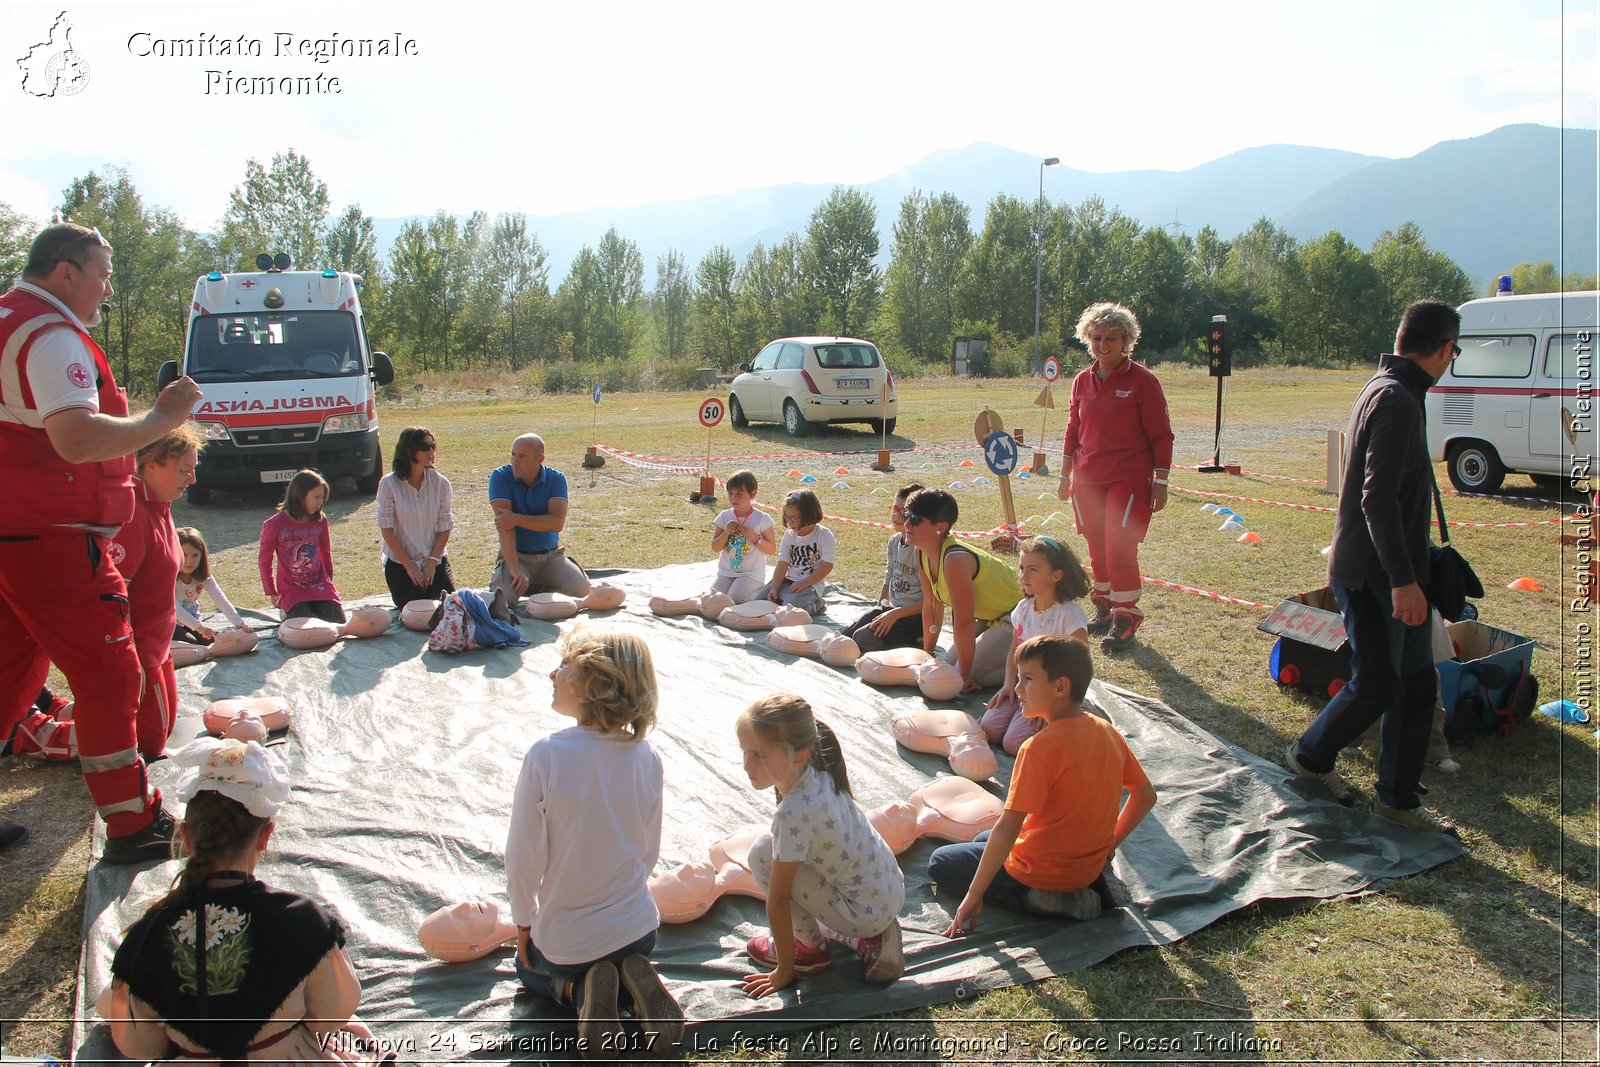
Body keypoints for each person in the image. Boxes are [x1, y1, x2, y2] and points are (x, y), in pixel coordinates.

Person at [0, 222, 203, 864]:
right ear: (65, 273)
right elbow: (78, 439)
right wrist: (160, 420)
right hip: (54, 537)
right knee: (111, 672)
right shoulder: (51, 336)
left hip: (16, 530)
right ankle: (132, 822)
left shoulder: (8, 320)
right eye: (102, 274)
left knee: (11, 671)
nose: (106, 290)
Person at [97, 736, 390, 1065]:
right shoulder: (300, 919)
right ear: (265, 836)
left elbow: (140, 1046)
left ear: (185, 837)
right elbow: (332, 1015)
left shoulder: (146, 936)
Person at [1285, 298, 1464, 836]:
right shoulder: (1396, 399)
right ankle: (1310, 759)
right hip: (1374, 576)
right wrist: (1404, 581)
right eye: (1455, 352)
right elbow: (1376, 498)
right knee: (1382, 684)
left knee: (1416, 683)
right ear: (1445, 349)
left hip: (1395, 571)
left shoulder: (1393, 387)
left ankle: (1397, 800)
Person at [506, 626, 682, 1055]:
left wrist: (524, 922)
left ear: (594, 682)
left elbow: (522, 857)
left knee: (526, 967)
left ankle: (577, 993)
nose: (552, 674)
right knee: (616, 953)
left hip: (569, 942)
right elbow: (647, 851)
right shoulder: (647, 756)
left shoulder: (546, 755)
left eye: (564, 666)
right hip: (640, 928)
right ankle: (629, 981)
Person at [933, 636, 1156, 932]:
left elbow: (1009, 826)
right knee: (980, 840)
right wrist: (1109, 845)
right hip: (1087, 865)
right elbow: (1145, 795)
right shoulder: (1106, 731)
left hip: (1040, 872)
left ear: (1060, 686)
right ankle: (1089, 882)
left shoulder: (1038, 748)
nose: (1017, 689)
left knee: (941, 862)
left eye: (1027, 679)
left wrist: (974, 894)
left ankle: (1038, 898)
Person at [737, 694, 906, 996]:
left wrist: (784, 971)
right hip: (888, 892)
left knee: (762, 854)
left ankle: (809, 949)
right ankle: (871, 939)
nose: (746, 764)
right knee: (779, 851)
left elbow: (776, 900)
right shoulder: (820, 767)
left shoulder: (793, 815)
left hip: (866, 912)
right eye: (745, 752)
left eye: (759, 755)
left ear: (798, 756)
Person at [1056, 301, 1174, 653]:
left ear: (1126, 340)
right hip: (1088, 478)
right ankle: (1104, 604)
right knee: (1095, 544)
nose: (1103, 345)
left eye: (1111, 338)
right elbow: (1073, 429)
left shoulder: (1143, 381)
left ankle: (1127, 614)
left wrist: (1162, 481)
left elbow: (1161, 435)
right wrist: (1065, 475)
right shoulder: (1081, 380)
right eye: (1096, 338)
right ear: (1087, 339)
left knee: (1119, 543)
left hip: (1129, 477)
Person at [901, 487, 1022, 692]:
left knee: (961, 675)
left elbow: (964, 622)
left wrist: (964, 677)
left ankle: (1040, 664)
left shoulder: (955, 559)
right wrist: (927, 654)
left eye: (914, 519)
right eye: (905, 515)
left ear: (940, 527)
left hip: (1021, 613)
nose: (905, 524)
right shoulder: (920, 553)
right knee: (949, 663)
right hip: (991, 616)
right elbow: (932, 605)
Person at [982, 536, 1091, 755]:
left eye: (1033, 569)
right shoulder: (1023, 609)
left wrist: (1055, 709)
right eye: (1021, 568)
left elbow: (1081, 669)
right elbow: (1015, 652)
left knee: (1013, 744)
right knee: (989, 729)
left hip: (1051, 697)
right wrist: (1007, 685)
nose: (1023, 576)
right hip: (1022, 690)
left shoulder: (1069, 617)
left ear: (1056, 575)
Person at [488, 433, 591, 609]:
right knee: (502, 601)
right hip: (517, 556)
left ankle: (540, 587)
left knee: (583, 590)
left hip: (550, 557)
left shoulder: (556, 479)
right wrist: (513, 568)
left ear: (539, 459)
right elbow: (505, 526)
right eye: (513, 454)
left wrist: (516, 518)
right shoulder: (500, 477)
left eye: (521, 456)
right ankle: (530, 585)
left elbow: (556, 523)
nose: (515, 461)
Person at [839, 483, 925, 654]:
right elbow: (890, 576)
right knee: (845, 635)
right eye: (895, 508)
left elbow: (931, 603)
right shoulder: (894, 541)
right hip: (891, 610)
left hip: (913, 618)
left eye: (903, 511)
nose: (896, 515)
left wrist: (894, 615)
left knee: (862, 638)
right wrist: (879, 608)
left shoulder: (921, 550)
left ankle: (914, 643)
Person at [375, 426, 455, 609]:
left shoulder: (441, 483)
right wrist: (410, 566)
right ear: (408, 450)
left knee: (449, 609)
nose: (431, 451)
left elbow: (445, 526)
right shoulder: (388, 484)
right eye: (424, 447)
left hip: (434, 560)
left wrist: (432, 564)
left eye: (432, 445)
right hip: (400, 563)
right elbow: (386, 529)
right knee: (416, 612)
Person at [259, 469, 344, 624]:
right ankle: (286, 611)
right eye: (316, 497)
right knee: (306, 626)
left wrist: (328, 582)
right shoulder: (275, 524)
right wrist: (271, 591)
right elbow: (265, 559)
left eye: (323, 498)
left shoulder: (320, 520)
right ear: (299, 494)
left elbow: (326, 552)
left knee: (337, 623)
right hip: (292, 589)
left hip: (319, 585)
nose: (320, 502)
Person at [710, 470, 777, 603]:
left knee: (735, 598)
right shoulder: (724, 516)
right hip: (726, 571)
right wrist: (725, 533)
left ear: (753, 494)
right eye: (730, 494)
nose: (734, 498)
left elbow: (772, 549)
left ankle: (761, 591)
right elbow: (715, 547)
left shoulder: (762, 519)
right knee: (713, 599)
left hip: (751, 573)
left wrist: (754, 537)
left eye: (739, 494)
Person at [173, 527, 248, 646]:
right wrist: (200, 628)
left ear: (202, 556)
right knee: (191, 645)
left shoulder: (203, 577)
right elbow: (175, 608)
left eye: (195, 555)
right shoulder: (168, 578)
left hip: (191, 622)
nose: (189, 561)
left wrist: (240, 624)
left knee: (210, 642)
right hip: (168, 625)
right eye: (184, 555)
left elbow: (220, 598)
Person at [765, 490, 834, 615]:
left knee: (791, 609)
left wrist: (804, 583)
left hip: (810, 585)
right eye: (787, 517)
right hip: (788, 581)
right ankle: (782, 599)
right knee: (760, 601)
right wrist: (774, 588)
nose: (790, 522)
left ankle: (817, 603)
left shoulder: (824, 535)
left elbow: (827, 566)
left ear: (809, 515)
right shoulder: (789, 535)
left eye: (795, 517)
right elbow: (782, 563)